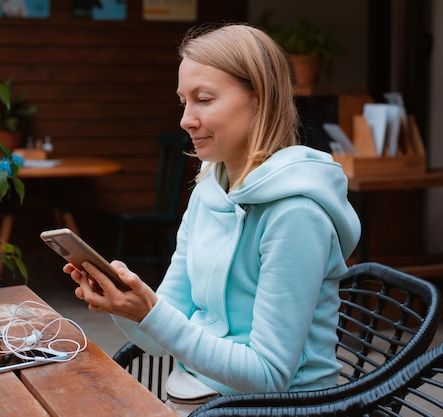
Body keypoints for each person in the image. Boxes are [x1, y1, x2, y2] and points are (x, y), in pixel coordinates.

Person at [62, 22, 361, 415]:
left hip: (281, 408)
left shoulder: (296, 214)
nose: (186, 119)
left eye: (203, 99)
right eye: (183, 101)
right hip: (199, 402)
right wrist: (126, 306)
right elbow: (158, 338)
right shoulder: (209, 190)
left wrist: (152, 313)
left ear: (259, 98)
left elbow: (268, 377)